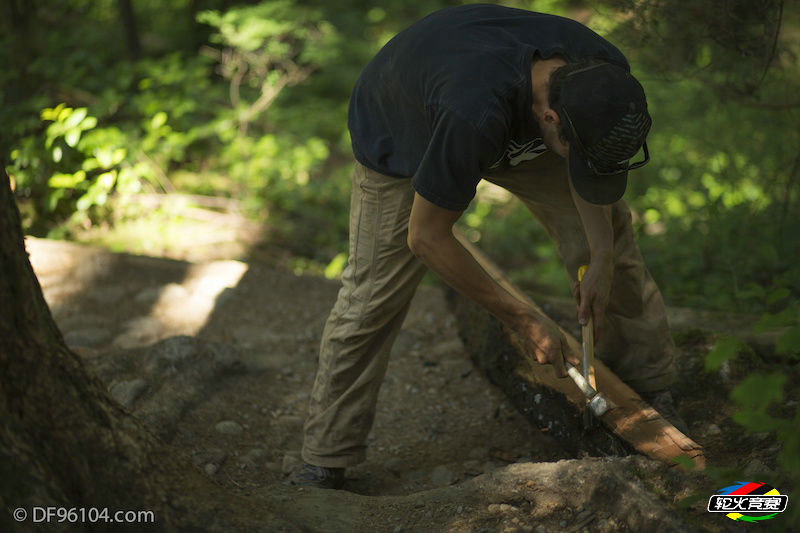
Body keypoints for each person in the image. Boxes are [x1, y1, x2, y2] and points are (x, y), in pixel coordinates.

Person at [293, 4, 686, 490]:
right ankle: (326, 456)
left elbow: (594, 170)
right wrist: (521, 317)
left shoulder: (602, 79)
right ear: (549, 117)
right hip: (405, 129)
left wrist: (601, 256)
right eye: (577, 154)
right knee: (370, 296)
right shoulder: (472, 108)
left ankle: (647, 385)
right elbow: (427, 237)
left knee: (613, 249)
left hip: (523, 129)